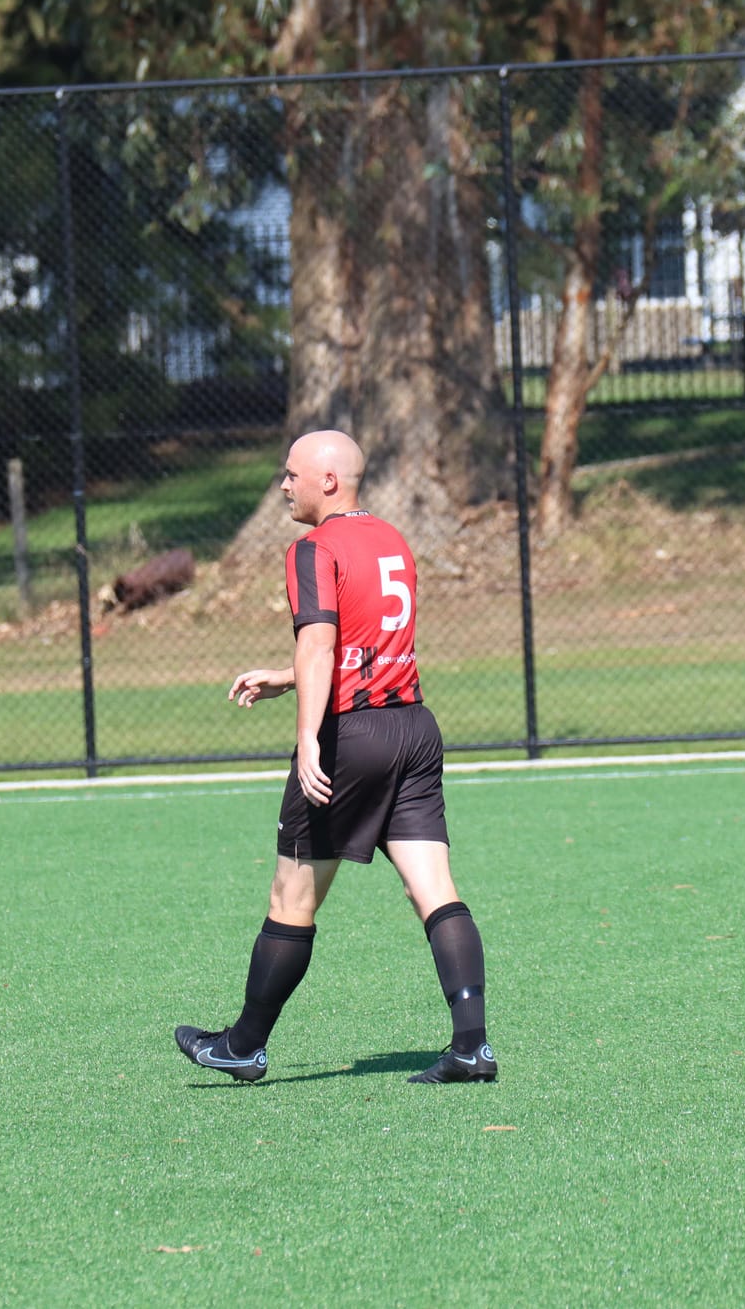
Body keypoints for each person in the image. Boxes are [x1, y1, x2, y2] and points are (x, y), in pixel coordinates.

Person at [175, 429, 496, 1085]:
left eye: (291, 474)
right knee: (434, 889)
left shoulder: (312, 549)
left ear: (327, 481)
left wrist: (309, 738)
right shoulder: (392, 539)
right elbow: (363, 644)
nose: (283, 485)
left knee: (291, 896)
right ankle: (472, 1046)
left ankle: (243, 1045)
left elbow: (321, 645)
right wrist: (285, 675)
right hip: (413, 729)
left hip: (354, 738)